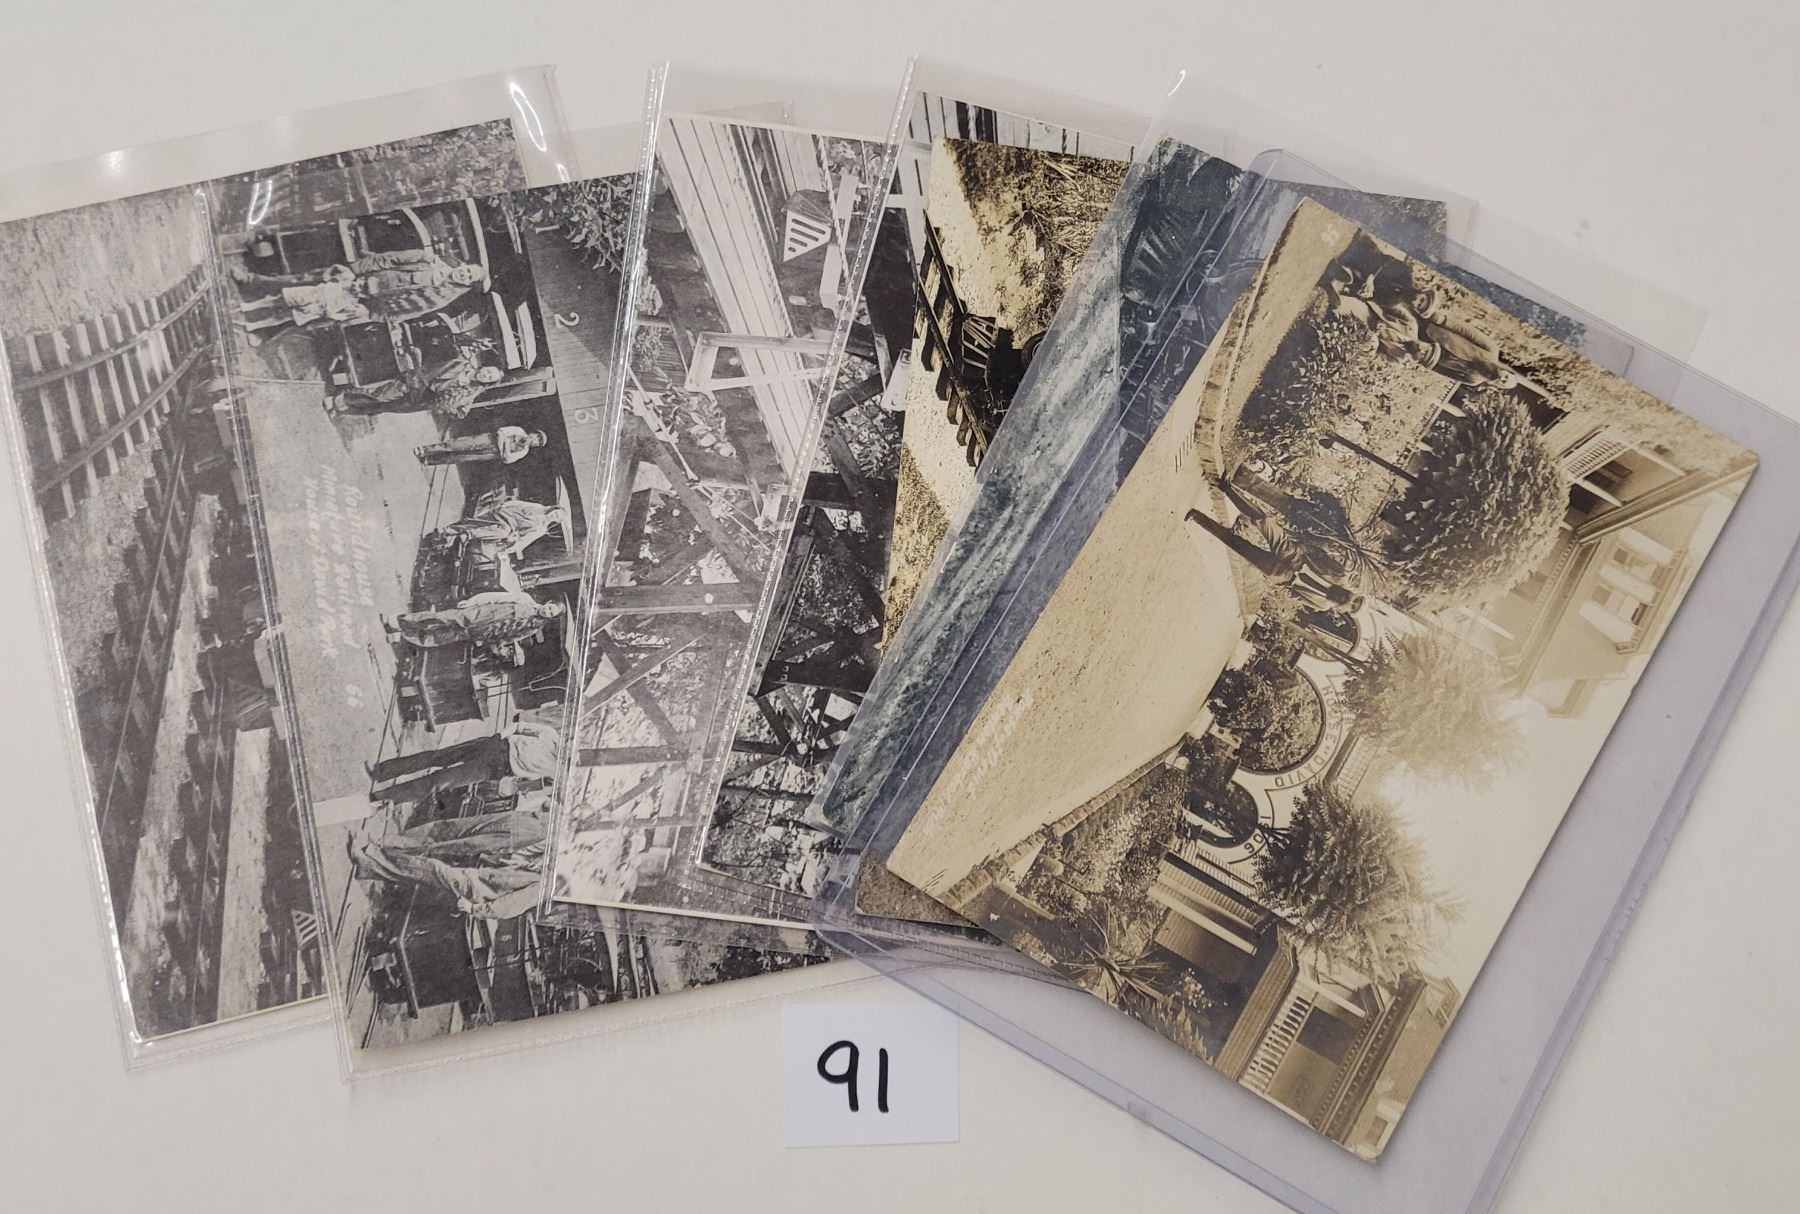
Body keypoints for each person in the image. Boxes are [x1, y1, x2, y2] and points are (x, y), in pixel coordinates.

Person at [368, 717, 562, 803]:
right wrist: (497, 737)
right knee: (438, 756)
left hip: (494, 769)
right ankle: (383, 771)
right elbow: (519, 726)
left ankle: (385, 796)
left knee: (439, 782)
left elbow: (529, 786)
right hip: (495, 746)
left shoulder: (554, 772)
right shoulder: (550, 734)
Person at [334, 347, 505, 418]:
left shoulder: (471, 392)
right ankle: (343, 399)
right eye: (489, 371)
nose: (487, 375)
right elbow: (432, 363)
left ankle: (348, 411)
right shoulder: (461, 362)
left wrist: (448, 405)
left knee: (383, 407)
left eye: (490, 378)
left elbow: (461, 413)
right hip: (416, 383)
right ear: (485, 366)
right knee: (381, 396)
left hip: (419, 401)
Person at [389, 589, 564, 652]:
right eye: (550, 607)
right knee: (441, 618)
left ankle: (403, 636)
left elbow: (511, 637)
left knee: (440, 637)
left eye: (551, 613)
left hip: (482, 632)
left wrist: (491, 642)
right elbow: (494, 597)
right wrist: (472, 601)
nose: (547, 611)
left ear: (551, 618)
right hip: (477, 614)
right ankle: (401, 621)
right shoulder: (524, 599)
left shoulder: (533, 627)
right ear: (548, 602)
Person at [446, 496, 568, 557]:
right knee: (502, 531)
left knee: (504, 533)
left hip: (510, 526)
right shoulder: (538, 508)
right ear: (554, 509)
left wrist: (512, 547)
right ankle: (466, 534)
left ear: (557, 521)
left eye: (557, 517)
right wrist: (506, 505)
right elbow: (520, 504)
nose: (554, 515)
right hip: (506, 514)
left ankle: (455, 532)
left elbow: (525, 540)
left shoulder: (541, 529)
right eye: (556, 512)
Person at [415, 426, 547, 466]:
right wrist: (504, 449)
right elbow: (500, 433)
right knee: (456, 445)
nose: (535, 441)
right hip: (488, 440)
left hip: (490, 453)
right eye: (537, 437)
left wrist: (505, 444)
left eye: (538, 442)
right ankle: (424, 450)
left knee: (461, 457)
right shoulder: (518, 431)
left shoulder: (523, 451)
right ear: (533, 433)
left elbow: (507, 460)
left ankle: (429, 460)